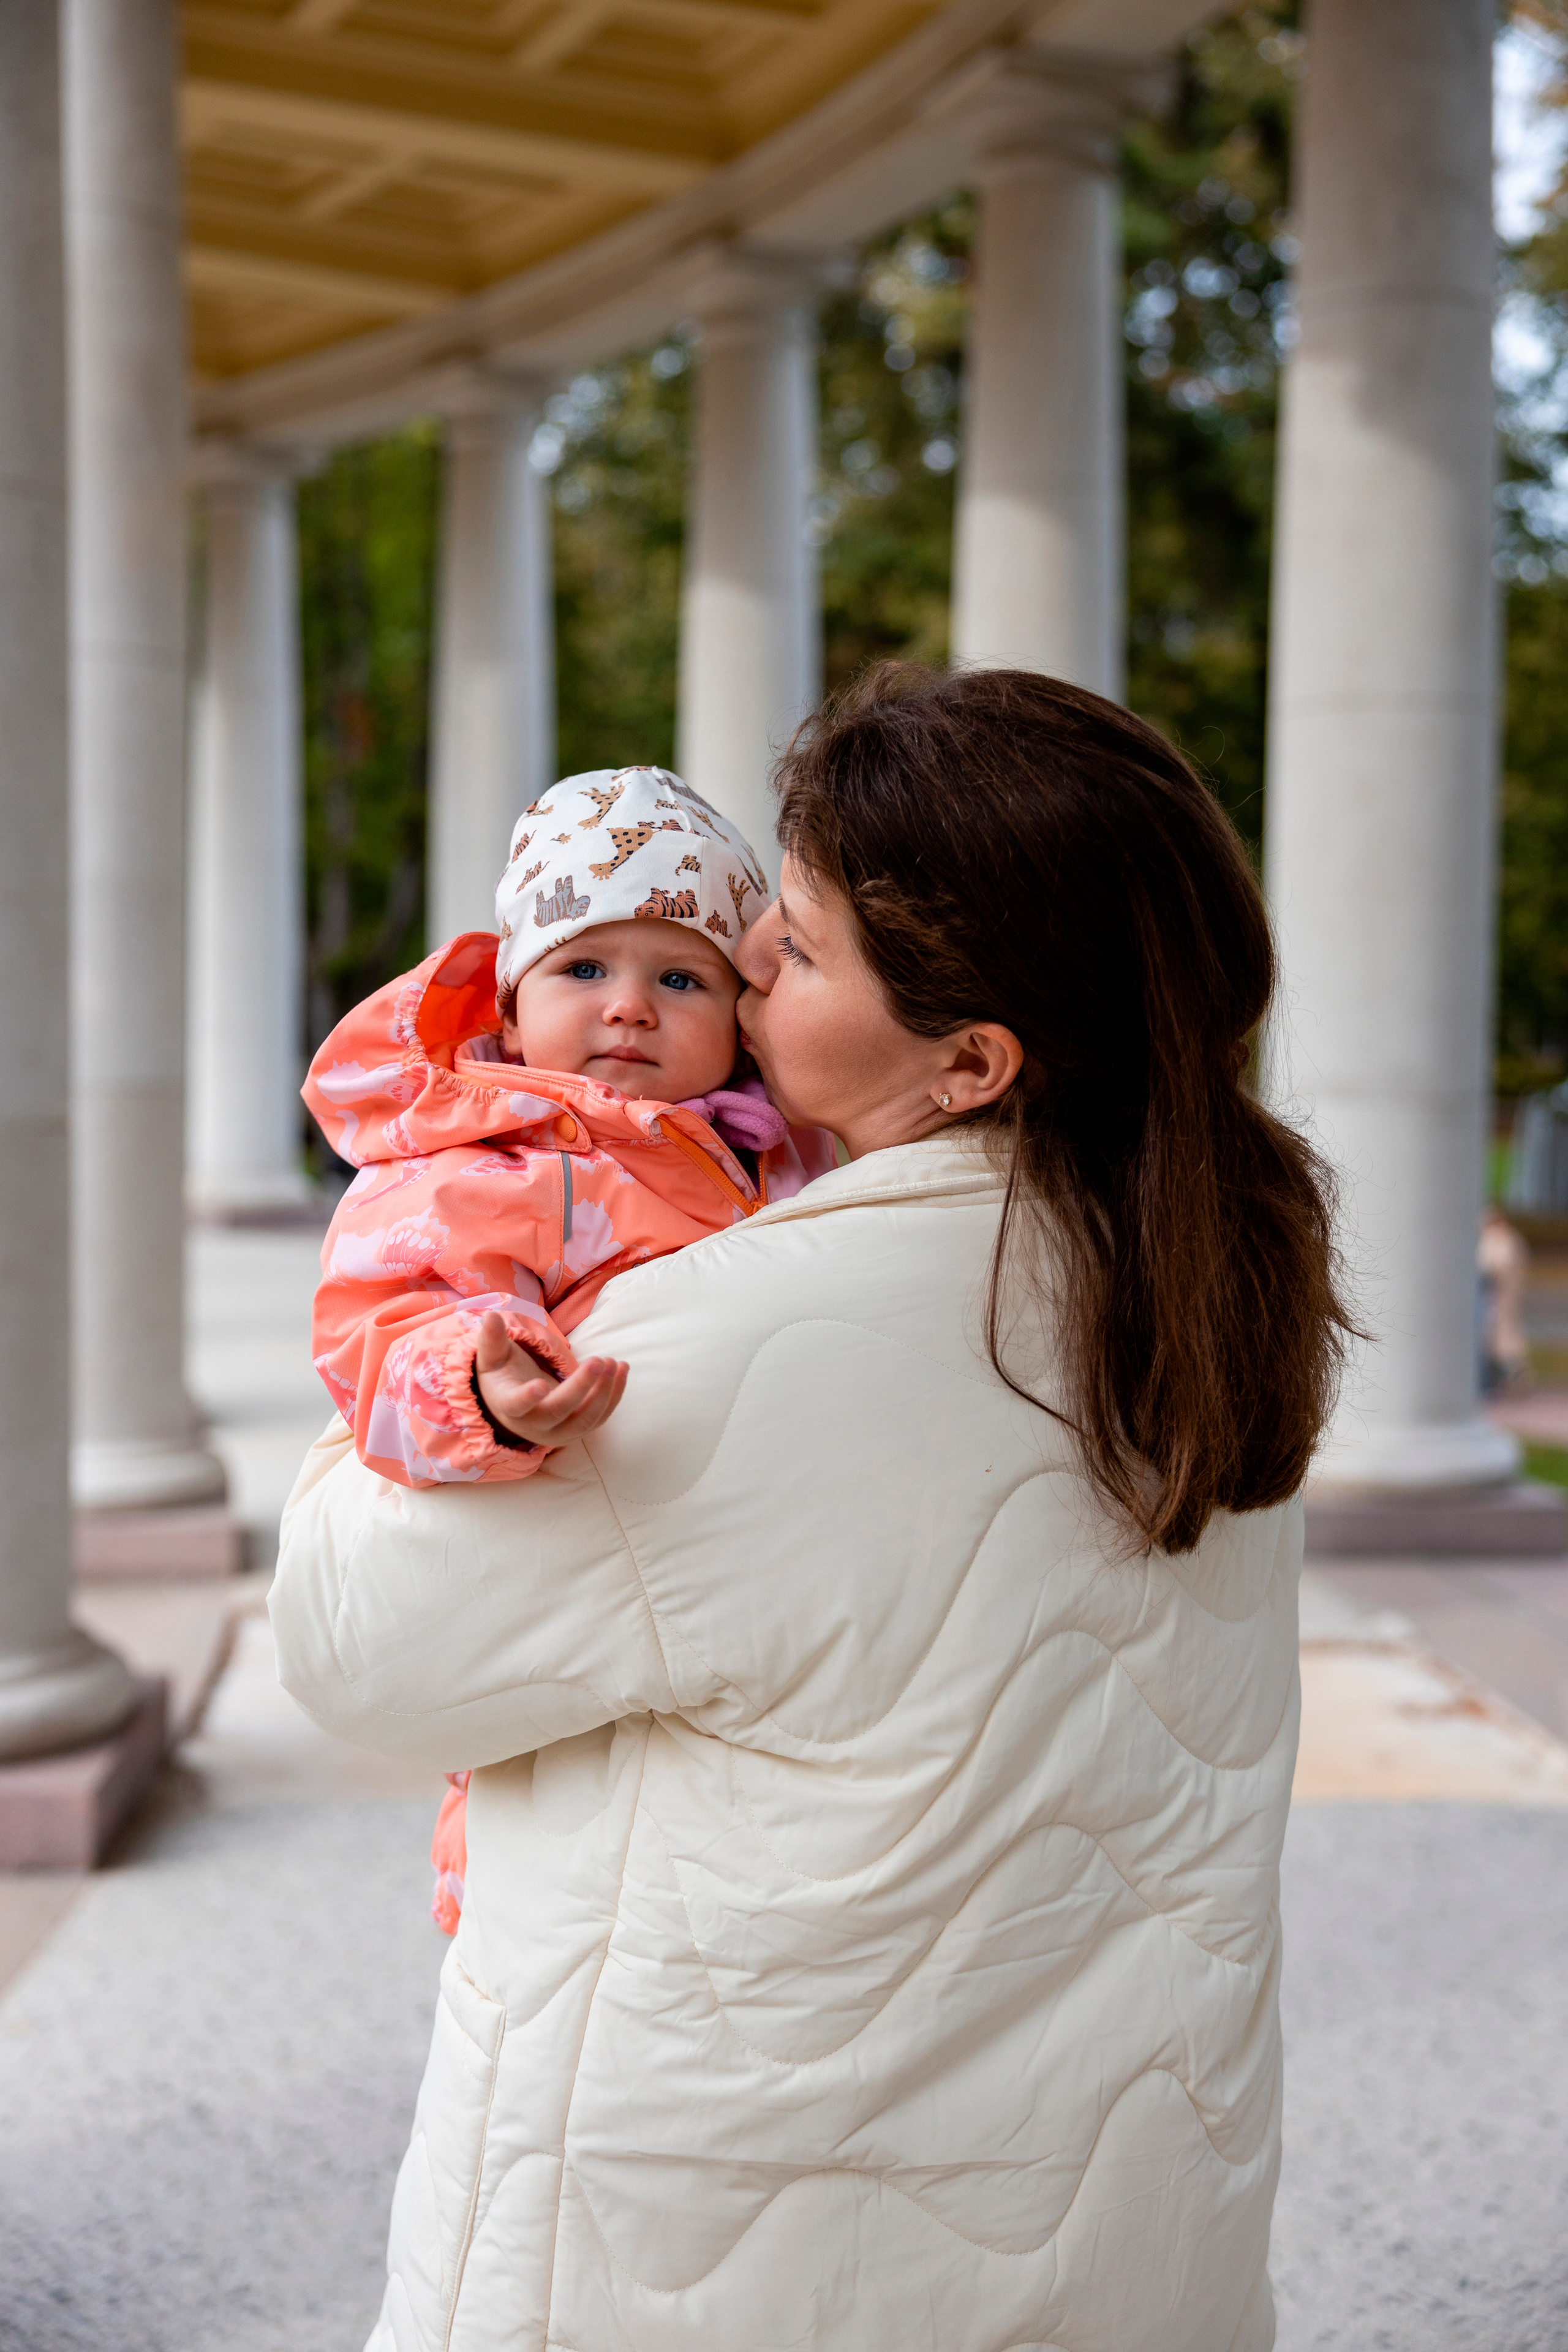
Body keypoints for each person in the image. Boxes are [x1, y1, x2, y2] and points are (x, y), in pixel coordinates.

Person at [272, 665, 1353, 2352]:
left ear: (976, 1058)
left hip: (732, 2230)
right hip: (1125, 2209)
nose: (744, 963)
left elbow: (362, 1649)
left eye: (796, 945)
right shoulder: (1210, 1278)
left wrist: (405, 1376)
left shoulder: (735, 1330)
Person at [301, 763, 831, 1928]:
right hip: (554, 1546)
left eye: (680, 977)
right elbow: (373, 1331)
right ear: (508, 1000)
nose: (630, 1005)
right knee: (546, 1809)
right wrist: (479, 1385)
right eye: (584, 967)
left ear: (739, 1023)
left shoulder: (774, 1152)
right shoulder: (485, 1164)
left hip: (728, 1569)